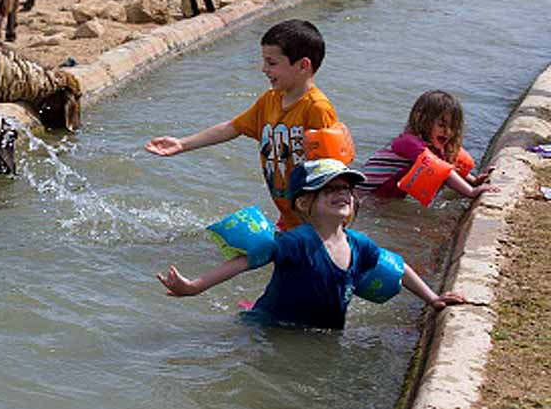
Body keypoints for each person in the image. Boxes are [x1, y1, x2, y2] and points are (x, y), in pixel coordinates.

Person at [156, 159, 463, 329]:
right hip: (272, 326)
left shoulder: (359, 245)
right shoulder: (297, 242)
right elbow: (246, 261)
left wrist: (433, 299)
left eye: (346, 188)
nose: (342, 193)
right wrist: (194, 286)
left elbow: (399, 267)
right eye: (329, 188)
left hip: (323, 331)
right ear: (303, 202)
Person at [146, 19, 339, 230]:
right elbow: (232, 128)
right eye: (264, 62)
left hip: (316, 222)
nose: (264, 69)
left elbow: (331, 172)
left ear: (303, 65)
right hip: (288, 216)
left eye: (272, 63)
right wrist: (182, 144)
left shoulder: (317, 109)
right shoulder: (270, 100)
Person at [361, 90, 497, 205]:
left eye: (452, 127)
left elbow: (448, 167)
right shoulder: (409, 142)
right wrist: (470, 192)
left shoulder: (433, 148)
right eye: (442, 125)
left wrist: (474, 181)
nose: (448, 132)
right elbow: (443, 170)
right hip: (362, 195)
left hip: (381, 200)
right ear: (420, 118)